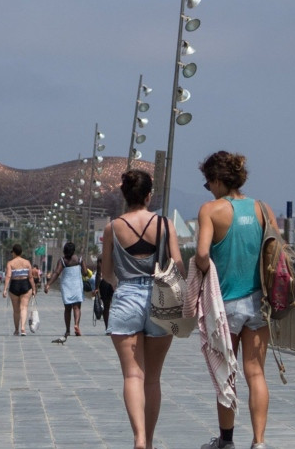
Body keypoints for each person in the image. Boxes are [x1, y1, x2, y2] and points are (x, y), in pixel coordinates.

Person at [194, 150, 270, 449]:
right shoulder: (263, 209)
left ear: (216, 180)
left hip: (224, 304)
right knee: (255, 372)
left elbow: (201, 254)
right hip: (258, 303)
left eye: (208, 182)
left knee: (226, 374)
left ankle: (226, 441)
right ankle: (259, 442)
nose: (209, 188)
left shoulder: (211, 210)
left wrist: (204, 270)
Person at [101, 169, 182, 449]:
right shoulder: (165, 224)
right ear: (149, 196)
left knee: (132, 374)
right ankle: (148, 441)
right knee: (153, 377)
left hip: (126, 298)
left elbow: (107, 273)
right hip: (160, 298)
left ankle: (137, 438)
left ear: (125, 196)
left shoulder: (113, 227)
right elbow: (179, 266)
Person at [45, 241, 85, 337]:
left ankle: (67, 330)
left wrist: (48, 284)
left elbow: (56, 273)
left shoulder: (62, 261)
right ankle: (76, 325)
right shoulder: (79, 260)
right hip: (77, 285)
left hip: (66, 286)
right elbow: (84, 272)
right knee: (77, 307)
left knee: (67, 309)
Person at [2, 243, 36, 336]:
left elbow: (8, 276)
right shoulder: (27, 262)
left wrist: (5, 289)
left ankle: (16, 330)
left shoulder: (10, 263)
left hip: (14, 285)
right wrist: (33, 289)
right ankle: (23, 329)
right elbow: (30, 277)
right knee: (24, 307)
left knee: (16, 310)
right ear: (21, 252)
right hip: (25, 284)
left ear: (14, 252)